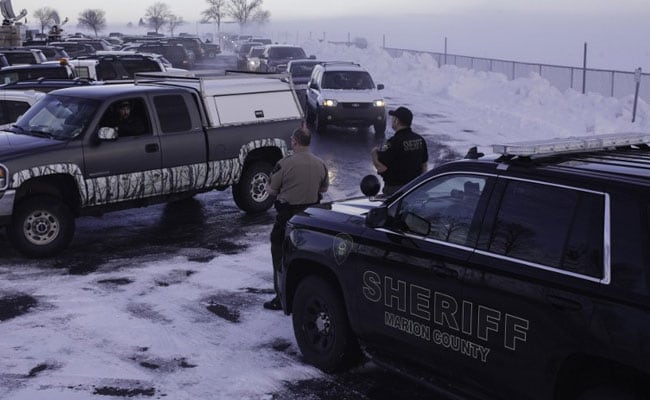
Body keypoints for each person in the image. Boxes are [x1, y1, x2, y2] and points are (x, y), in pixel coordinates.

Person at [264, 125, 329, 310]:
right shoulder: (320, 163)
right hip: (311, 217)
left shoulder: (284, 164)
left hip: (287, 218)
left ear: (295, 142)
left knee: (280, 256)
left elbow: (270, 189)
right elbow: (323, 189)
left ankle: (281, 297)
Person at [371, 106, 428, 195]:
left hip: (395, 192)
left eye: (393, 118)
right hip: (415, 189)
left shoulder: (392, 142)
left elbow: (380, 167)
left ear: (396, 121)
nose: (392, 121)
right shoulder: (420, 140)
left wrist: (374, 153)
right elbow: (424, 166)